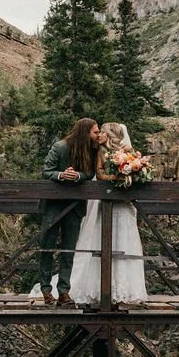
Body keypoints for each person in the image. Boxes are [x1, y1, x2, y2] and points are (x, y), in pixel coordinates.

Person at [70, 122, 148, 306]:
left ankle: (124, 289)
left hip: (122, 205)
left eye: (102, 133)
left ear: (110, 134)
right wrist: (115, 177)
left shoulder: (128, 150)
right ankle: (101, 288)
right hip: (105, 203)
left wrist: (130, 174)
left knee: (124, 240)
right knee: (102, 241)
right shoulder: (101, 152)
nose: (99, 136)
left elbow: (137, 174)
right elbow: (99, 173)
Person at [38, 118, 101, 306]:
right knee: (47, 247)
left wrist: (78, 176)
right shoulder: (60, 147)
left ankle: (64, 291)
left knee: (69, 250)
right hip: (53, 205)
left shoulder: (91, 150)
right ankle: (46, 290)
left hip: (75, 207)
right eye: (95, 132)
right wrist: (61, 175)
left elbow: (90, 174)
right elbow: (46, 171)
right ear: (85, 132)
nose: (97, 135)